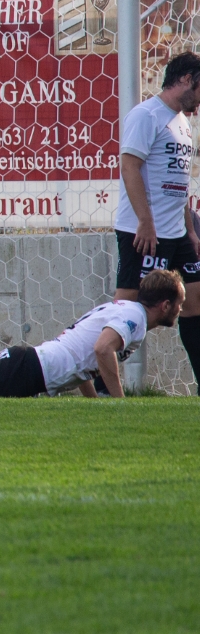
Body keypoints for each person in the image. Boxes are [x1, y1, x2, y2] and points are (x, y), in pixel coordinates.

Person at [0, 270, 183, 399]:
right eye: (179, 303)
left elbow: (84, 361)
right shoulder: (136, 318)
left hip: (28, 364)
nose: (181, 309)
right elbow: (101, 349)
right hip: (28, 369)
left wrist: (94, 402)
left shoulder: (126, 310)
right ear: (164, 305)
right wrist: (120, 403)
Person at [112, 52, 200, 385]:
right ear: (187, 80)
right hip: (143, 232)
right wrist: (145, 222)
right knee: (129, 308)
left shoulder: (182, 122)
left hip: (177, 233)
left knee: (194, 302)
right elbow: (129, 167)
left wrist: (190, 231)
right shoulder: (146, 114)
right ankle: (101, 380)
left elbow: (178, 184)